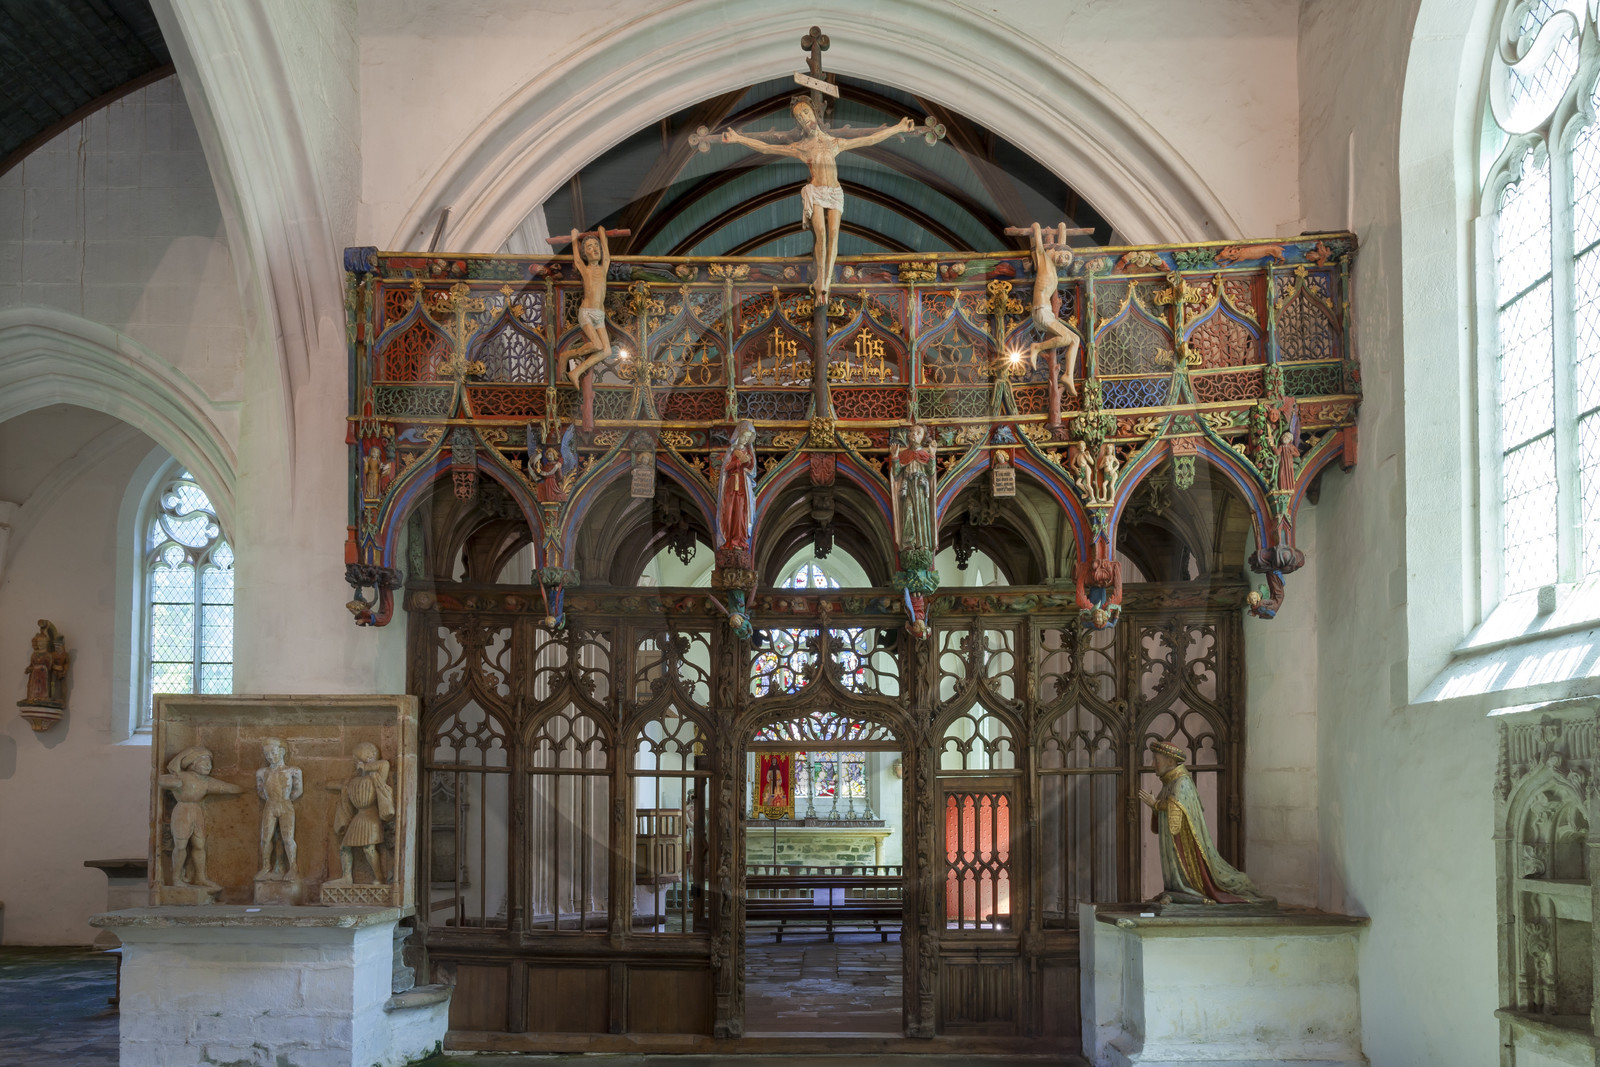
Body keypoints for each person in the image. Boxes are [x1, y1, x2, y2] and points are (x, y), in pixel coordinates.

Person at [722, 98, 913, 296]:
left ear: (814, 112)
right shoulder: (802, 147)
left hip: (835, 192)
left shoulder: (834, 142)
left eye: (805, 112)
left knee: (834, 234)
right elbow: (767, 148)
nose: (804, 118)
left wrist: (898, 128)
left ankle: (826, 283)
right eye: (799, 117)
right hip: (816, 191)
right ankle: (821, 281)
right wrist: (739, 139)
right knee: (821, 233)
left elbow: (869, 140)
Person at [1137, 739, 1268, 905]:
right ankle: (1176, 891)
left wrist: (1155, 804)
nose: (1153, 764)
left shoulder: (1182, 782)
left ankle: (1191, 892)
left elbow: (1176, 807)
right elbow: (1168, 810)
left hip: (1185, 843)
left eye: (1157, 760)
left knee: (1194, 874)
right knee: (1174, 870)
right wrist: (1155, 806)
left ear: (1170, 761)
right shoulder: (1169, 783)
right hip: (1172, 839)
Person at [159, 748, 244, 889]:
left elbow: (227, 787)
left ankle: (200, 877)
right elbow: (162, 779)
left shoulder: (206, 781)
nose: (208, 766)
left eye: (209, 763)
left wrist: (247, 788)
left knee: (199, 845)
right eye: (204, 762)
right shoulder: (182, 776)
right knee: (180, 846)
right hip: (183, 810)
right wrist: (175, 780)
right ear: (192, 764)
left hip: (196, 811)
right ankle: (176, 878)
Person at [325, 742, 395, 886]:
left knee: (369, 849)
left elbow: (384, 764)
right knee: (344, 847)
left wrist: (365, 766)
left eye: (357, 757)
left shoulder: (377, 776)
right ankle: (346, 877)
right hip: (358, 817)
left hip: (371, 816)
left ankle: (379, 877)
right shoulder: (353, 780)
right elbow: (331, 784)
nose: (355, 761)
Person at [1025, 222, 1081, 396]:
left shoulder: (1053, 269)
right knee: (1067, 337)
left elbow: (1061, 247)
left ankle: (1068, 376)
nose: (1064, 260)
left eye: (1067, 260)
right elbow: (1039, 245)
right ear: (1053, 252)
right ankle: (1037, 347)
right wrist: (1036, 228)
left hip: (1046, 312)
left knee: (1075, 339)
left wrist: (1062, 228)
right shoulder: (1044, 263)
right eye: (1063, 256)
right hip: (1041, 311)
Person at [565, 228, 613, 388]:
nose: (595, 249)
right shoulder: (586, 269)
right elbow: (577, 260)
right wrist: (574, 238)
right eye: (590, 247)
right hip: (586, 313)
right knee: (598, 345)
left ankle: (576, 372)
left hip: (599, 315)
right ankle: (568, 354)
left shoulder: (603, 268)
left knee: (607, 351)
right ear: (585, 253)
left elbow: (607, 257)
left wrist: (602, 235)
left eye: (596, 246)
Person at [255, 738, 303, 880]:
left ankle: (293, 867)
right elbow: (260, 791)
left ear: (282, 751)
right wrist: (273, 800)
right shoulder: (262, 772)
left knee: (288, 838)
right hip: (270, 806)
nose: (270, 756)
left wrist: (285, 799)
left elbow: (298, 790)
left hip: (285, 805)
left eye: (273, 752)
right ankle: (266, 866)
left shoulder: (293, 771)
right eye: (267, 754)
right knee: (265, 838)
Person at [891, 423, 936, 553]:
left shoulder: (924, 454)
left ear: (923, 437)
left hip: (920, 486)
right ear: (909, 435)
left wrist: (932, 454)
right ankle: (909, 543)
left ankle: (923, 544)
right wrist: (895, 456)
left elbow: (931, 471)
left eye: (918, 432)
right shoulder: (905, 454)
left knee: (921, 513)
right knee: (908, 511)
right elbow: (896, 472)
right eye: (912, 431)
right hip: (908, 486)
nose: (915, 434)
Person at [716, 420, 757, 552]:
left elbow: (752, 469)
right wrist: (739, 462)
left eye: (748, 437)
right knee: (729, 511)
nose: (745, 440)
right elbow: (726, 467)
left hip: (743, 486)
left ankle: (740, 539)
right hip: (731, 484)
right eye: (744, 436)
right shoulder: (732, 451)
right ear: (739, 435)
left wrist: (748, 462)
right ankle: (729, 539)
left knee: (741, 511)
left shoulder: (748, 451)